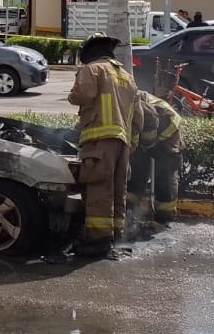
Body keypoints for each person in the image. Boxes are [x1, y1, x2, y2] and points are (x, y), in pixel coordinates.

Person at [68, 34, 140, 256]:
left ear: (89, 52)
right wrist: (132, 143)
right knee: (118, 191)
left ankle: (98, 242)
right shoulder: (127, 77)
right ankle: (116, 236)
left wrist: (74, 90)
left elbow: (81, 95)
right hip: (123, 143)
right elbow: (138, 117)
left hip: (100, 142)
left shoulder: (94, 69)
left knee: (100, 189)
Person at [127, 89, 183, 228]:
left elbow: (149, 124)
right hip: (149, 132)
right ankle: (129, 211)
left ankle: (164, 217)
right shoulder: (126, 99)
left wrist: (148, 144)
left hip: (168, 133)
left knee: (165, 174)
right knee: (136, 170)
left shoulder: (141, 105)